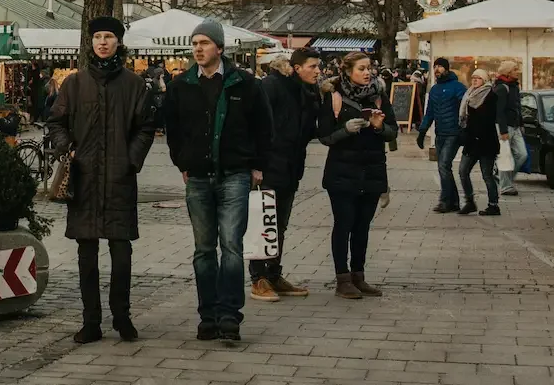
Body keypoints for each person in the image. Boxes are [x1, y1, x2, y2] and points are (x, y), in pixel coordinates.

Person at [158, 19, 271, 343]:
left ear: (219, 48)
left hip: (234, 175)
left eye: (205, 43)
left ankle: (229, 316)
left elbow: (264, 128)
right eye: (195, 43)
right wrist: (182, 161)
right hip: (197, 178)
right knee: (204, 250)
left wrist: (257, 165)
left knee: (232, 247)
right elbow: (173, 129)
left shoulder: (244, 84)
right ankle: (208, 316)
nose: (198, 48)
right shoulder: (181, 86)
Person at [45, 16, 155, 345]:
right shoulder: (74, 84)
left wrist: (131, 160)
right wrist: (68, 148)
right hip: (85, 179)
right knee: (86, 253)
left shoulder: (134, 85)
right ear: (91, 42)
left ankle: (122, 316)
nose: (103, 42)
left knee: (121, 252)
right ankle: (90, 321)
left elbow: (146, 127)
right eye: (98, 37)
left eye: (109, 37)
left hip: (120, 179)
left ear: (118, 42)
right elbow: (56, 122)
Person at [319, 52, 396, 298]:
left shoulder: (379, 95)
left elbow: (393, 132)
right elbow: (324, 135)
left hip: (372, 171)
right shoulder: (334, 96)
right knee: (344, 225)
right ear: (347, 71)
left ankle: (358, 276)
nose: (367, 73)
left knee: (362, 226)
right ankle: (342, 279)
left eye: (369, 68)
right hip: (342, 172)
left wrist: (379, 126)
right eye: (361, 68)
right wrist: (346, 130)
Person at [250, 48, 324, 301]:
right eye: (312, 66)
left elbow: (310, 130)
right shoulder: (272, 85)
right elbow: (255, 124)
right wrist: (255, 164)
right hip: (269, 165)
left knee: (279, 225)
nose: (318, 71)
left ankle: (273, 274)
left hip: (292, 166)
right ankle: (258, 278)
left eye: (318, 66)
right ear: (296, 67)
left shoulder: (308, 91)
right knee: (263, 222)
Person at [415, 57, 466, 213]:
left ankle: (445, 201)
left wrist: (464, 128)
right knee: (443, 167)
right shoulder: (435, 89)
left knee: (444, 165)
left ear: (447, 69)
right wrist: (422, 131)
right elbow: (429, 113)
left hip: (453, 133)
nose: (437, 69)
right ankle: (454, 202)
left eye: (440, 67)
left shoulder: (457, 87)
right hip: (440, 134)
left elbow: (466, 107)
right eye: (435, 66)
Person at [455, 69, 503, 216]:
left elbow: (487, 120)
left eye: (478, 78)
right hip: (471, 142)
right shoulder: (469, 94)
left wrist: (475, 132)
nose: (475, 80)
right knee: (463, 171)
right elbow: (465, 117)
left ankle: (493, 205)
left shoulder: (490, 95)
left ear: (484, 80)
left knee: (487, 175)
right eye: (473, 77)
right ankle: (470, 201)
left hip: (486, 142)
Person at [493, 60, 525, 195]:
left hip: (515, 126)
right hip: (505, 126)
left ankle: (502, 177)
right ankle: (506, 186)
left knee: (522, 155)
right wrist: (503, 130)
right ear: (508, 72)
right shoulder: (502, 88)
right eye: (515, 69)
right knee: (505, 157)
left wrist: (521, 123)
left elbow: (517, 107)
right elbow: (499, 111)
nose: (518, 71)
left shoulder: (515, 87)